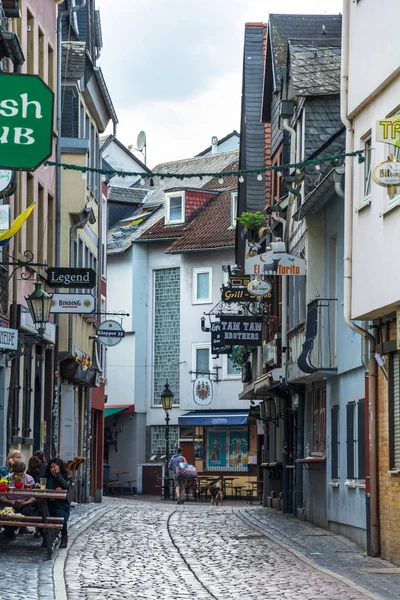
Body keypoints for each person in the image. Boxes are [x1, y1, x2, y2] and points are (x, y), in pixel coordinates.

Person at [0, 460, 37, 539]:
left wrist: (25, 503)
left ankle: (11, 532)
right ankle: (9, 534)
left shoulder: (29, 479)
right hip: (10, 504)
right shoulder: (7, 479)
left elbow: (33, 497)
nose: (18, 476)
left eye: (21, 474)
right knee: (6, 514)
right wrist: (9, 501)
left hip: (24, 504)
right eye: (16, 474)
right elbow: (2, 496)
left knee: (24, 513)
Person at [45, 458, 72, 549]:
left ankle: (64, 536)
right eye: (51, 467)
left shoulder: (67, 477)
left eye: (55, 466)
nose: (53, 469)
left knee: (60, 515)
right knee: (40, 514)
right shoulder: (47, 478)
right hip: (48, 503)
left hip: (61, 504)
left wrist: (58, 475)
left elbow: (65, 486)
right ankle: (46, 537)